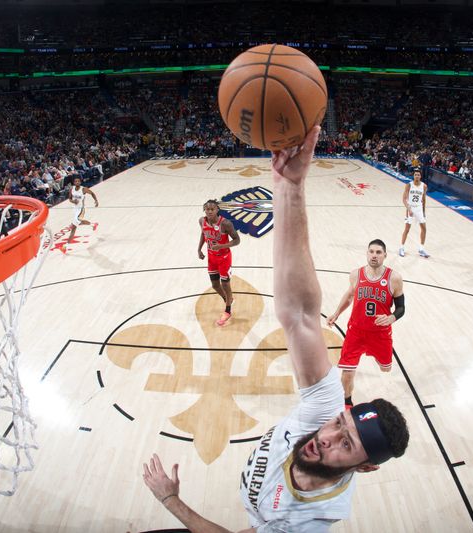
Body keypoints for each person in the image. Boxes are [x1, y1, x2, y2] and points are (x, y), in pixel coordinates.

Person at [142, 126, 409, 532]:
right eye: (341, 424)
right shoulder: (324, 412)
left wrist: (170, 500)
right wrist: (289, 186)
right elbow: (301, 313)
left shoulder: (310, 518)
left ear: (365, 468)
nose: (328, 437)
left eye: (347, 445)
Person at [326, 240, 405, 408]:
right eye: (371, 252)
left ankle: (376, 356)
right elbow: (349, 296)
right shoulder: (356, 275)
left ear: (385, 255)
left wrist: (392, 317)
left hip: (380, 334)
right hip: (356, 332)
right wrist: (336, 313)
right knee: (347, 372)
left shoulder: (395, 278)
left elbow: (401, 307)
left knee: (385, 368)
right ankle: (346, 403)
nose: (374, 255)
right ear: (367, 253)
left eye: (378, 252)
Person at [197, 199, 240, 326]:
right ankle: (228, 299)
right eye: (207, 209)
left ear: (217, 210)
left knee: (225, 285)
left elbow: (237, 240)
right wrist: (199, 249)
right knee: (215, 285)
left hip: (224, 258)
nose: (210, 211)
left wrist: (222, 246)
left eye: (212, 209)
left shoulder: (225, 223)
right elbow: (203, 234)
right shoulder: (201, 221)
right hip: (211, 258)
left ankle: (228, 311)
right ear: (204, 209)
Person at [398, 168, 429, 258]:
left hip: (419, 209)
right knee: (407, 229)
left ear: (420, 176)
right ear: (413, 176)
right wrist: (409, 209)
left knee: (424, 228)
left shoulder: (424, 186)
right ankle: (402, 247)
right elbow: (404, 199)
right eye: (415, 174)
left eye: (418, 175)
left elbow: (423, 199)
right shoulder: (409, 185)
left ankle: (421, 249)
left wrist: (423, 212)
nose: (417, 176)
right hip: (410, 208)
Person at [65, 176, 98, 250]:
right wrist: (73, 201)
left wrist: (96, 200)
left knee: (74, 226)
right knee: (77, 224)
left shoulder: (83, 189)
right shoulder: (72, 189)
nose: (77, 182)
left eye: (78, 181)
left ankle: (65, 246)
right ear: (74, 182)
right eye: (76, 181)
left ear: (80, 182)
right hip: (74, 209)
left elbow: (92, 193)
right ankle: (92, 224)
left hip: (81, 209)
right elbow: (69, 198)